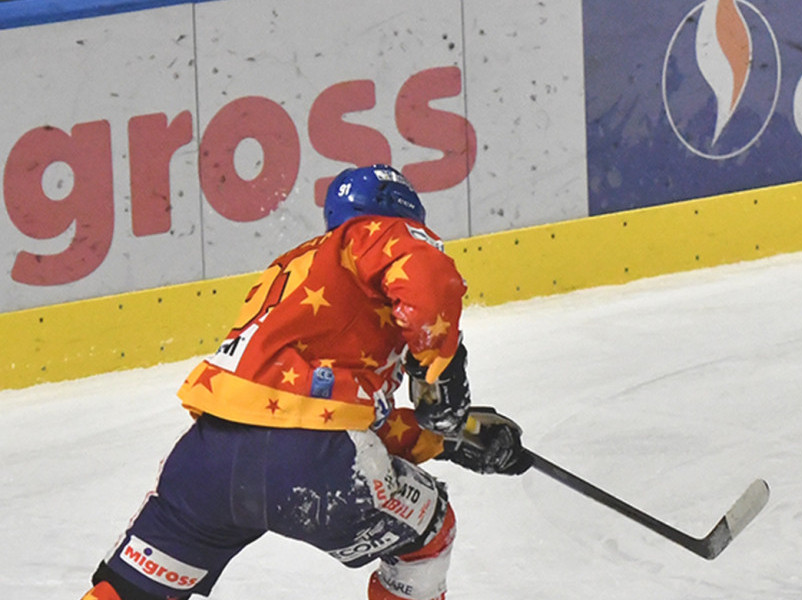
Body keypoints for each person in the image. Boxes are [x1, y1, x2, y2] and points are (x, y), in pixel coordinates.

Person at [81, 165, 533, 600]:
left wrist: (450, 439)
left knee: (125, 591)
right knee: (430, 532)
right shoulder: (375, 235)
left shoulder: (294, 274)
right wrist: (441, 369)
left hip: (207, 460)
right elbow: (424, 274)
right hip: (310, 462)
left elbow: (318, 413)